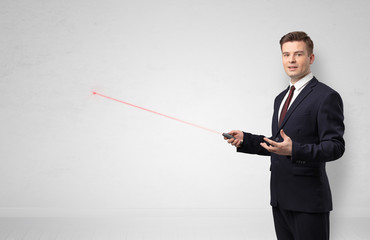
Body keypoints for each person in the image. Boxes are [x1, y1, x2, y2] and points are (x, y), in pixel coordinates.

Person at [225, 31, 345, 240]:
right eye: (285, 54)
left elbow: (335, 147)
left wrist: (295, 149)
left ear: (311, 58)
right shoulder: (280, 98)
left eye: (298, 54)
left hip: (308, 201)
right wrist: (246, 139)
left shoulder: (326, 96)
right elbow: (279, 143)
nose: (291, 60)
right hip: (280, 198)